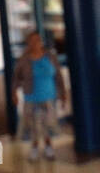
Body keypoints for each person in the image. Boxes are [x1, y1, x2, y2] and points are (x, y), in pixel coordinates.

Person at [11, 30, 66, 161]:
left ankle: (48, 147)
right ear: (28, 43)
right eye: (33, 41)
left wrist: (63, 94)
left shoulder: (50, 57)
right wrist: (14, 93)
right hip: (32, 97)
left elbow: (58, 75)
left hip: (49, 96)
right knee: (33, 125)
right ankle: (34, 148)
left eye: (38, 40)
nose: (36, 43)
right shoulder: (24, 60)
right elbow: (16, 78)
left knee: (48, 123)